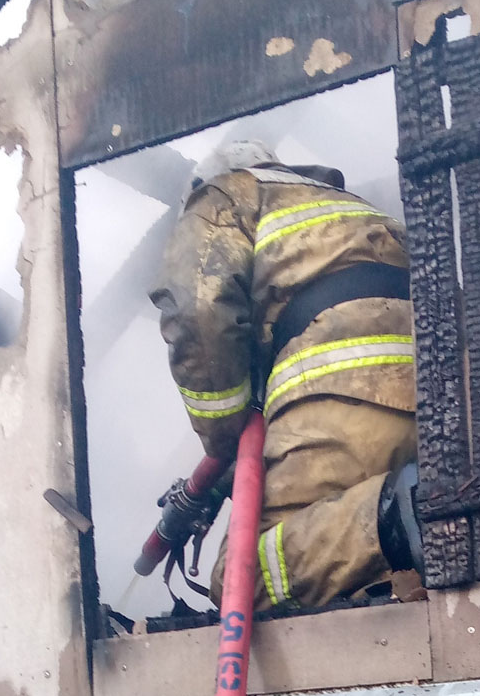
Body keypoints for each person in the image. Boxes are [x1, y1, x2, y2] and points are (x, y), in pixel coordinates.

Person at [150, 140, 424, 611]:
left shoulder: (224, 197)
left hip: (343, 388)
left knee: (242, 583)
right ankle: (417, 512)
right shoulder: (356, 215)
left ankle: (404, 515)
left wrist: (223, 439)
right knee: (359, 568)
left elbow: (198, 315)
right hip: (441, 402)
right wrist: (222, 482)